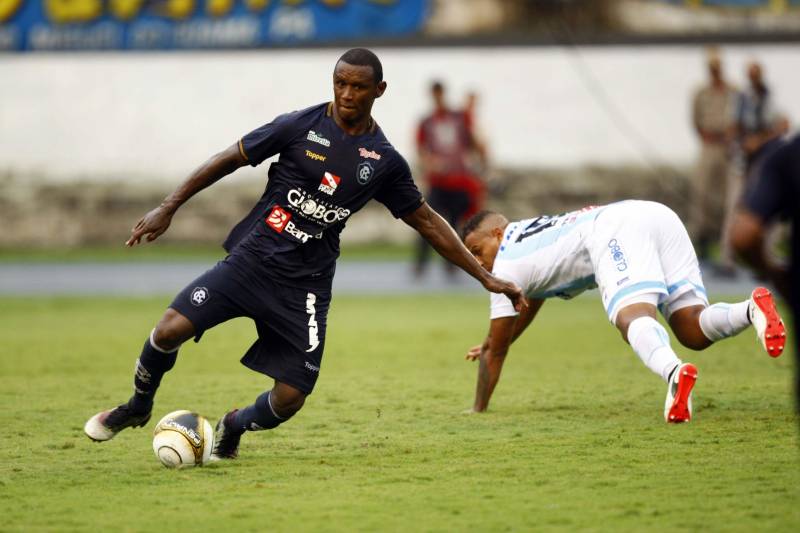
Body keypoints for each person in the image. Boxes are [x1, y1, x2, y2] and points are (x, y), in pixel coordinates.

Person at [83, 48, 524, 459]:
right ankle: (138, 407)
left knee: (290, 398)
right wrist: (169, 205)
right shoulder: (298, 126)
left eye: (358, 87)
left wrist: (487, 278)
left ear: (379, 91)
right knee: (167, 329)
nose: (347, 94)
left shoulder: (384, 161)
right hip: (251, 262)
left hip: (305, 286)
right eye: (340, 83)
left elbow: (427, 222)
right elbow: (228, 158)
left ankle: (232, 425)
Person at [460, 200, 786, 422]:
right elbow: (529, 300)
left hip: (617, 229)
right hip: (657, 215)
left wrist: (478, 408)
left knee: (630, 317)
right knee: (692, 329)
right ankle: (751, 310)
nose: (477, 263)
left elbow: (497, 352)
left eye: (476, 251)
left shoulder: (504, 266)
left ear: (498, 234)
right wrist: (494, 342)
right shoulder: (526, 239)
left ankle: (673, 373)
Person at [730, 135, 799, 417]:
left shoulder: (787, 156)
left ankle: (750, 311)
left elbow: (744, 235)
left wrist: (776, 276)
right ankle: (749, 311)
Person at [414, 81, 487, 278]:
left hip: (459, 180)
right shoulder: (427, 122)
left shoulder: (459, 118)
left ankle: (451, 265)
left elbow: (474, 141)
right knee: (427, 222)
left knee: (455, 225)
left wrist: (481, 163)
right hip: (438, 182)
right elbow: (421, 151)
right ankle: (421, 264)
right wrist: (431, 164)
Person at [688, 49, 738, 270]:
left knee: (730, 196)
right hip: (709, 145)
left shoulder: (733, 91)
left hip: (728, 147)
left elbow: (739, 117)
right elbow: (695, 118)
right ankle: (703, 241)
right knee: (702, 193)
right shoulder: (701, 92)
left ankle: (726, 244)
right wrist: (704, 134)